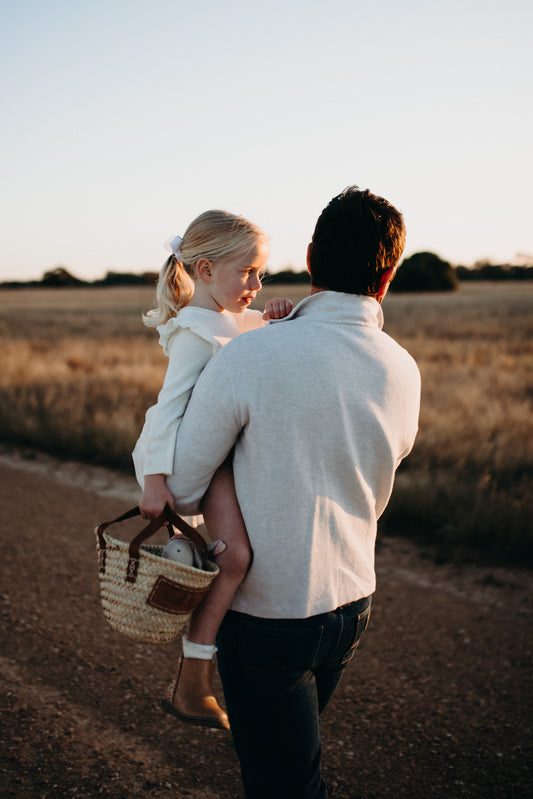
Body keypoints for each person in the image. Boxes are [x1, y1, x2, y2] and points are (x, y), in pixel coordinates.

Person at [166, 186, 422, 798]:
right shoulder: (403, 368)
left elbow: (180, 490)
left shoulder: (250, 355)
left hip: (268, 617)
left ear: (310, 259)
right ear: (387, 276)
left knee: (283, 785)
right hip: (353, 604)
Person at [132, 209, 292, 731]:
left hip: (239, 454)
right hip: (210, 464)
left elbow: (261, 346)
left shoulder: (234, 319)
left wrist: (277, 317)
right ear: (203, 269)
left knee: (249, 554)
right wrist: (154, 479)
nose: (257, 283)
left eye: (261, 273)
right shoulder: (194, 333)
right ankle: (194, 678)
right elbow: (164, 410)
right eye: (248, 272)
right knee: (236, 558)